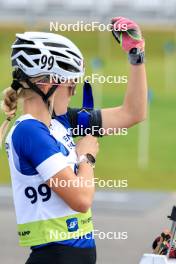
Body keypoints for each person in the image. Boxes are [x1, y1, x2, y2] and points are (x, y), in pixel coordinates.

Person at [0, 17, 147, 264]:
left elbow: (132, 113)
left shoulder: (60, 121)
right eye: (71, 84)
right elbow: (80, 199)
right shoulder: (28, 132)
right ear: (47, 84)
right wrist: (86, 156)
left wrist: (136, 55)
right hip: (55, 256)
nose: (74, 91)